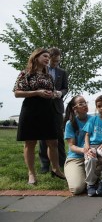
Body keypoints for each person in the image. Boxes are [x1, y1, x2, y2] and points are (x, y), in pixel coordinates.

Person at [13, 48, 65, 185]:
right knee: (30, 143)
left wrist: (53, 94)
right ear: (36, 57)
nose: (48, 58)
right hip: (31, 111)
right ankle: (31, 173)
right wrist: (37, 92)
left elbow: (52, 91)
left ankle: (56, 169)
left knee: (53, 141)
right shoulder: (26, 73)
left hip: (48, 111)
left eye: (49, 57)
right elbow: (17, 93)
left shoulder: (48, 76)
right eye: (45, 56)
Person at [39, 47, 68, 173]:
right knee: (43, 137)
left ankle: (62, 163)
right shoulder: (40, 71)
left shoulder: (63, 72)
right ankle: (45, 165)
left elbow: (66, 88)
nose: (56, 63)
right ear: (48, 58)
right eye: (54, 61)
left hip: (57, 107)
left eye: (58, 61)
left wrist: (60, 93)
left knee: (59, 137)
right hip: (42, 107)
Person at [63, 96, 90, 194]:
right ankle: (73, 173)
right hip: (75, 159)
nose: (85, 105)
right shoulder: (70, 124)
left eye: (85, 102)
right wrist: (84, 150)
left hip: (92, 157)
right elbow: (72, 146)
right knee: (77, 189)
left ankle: (90, 178)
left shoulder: (94, 120)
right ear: (75, 108)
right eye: (81, 103)